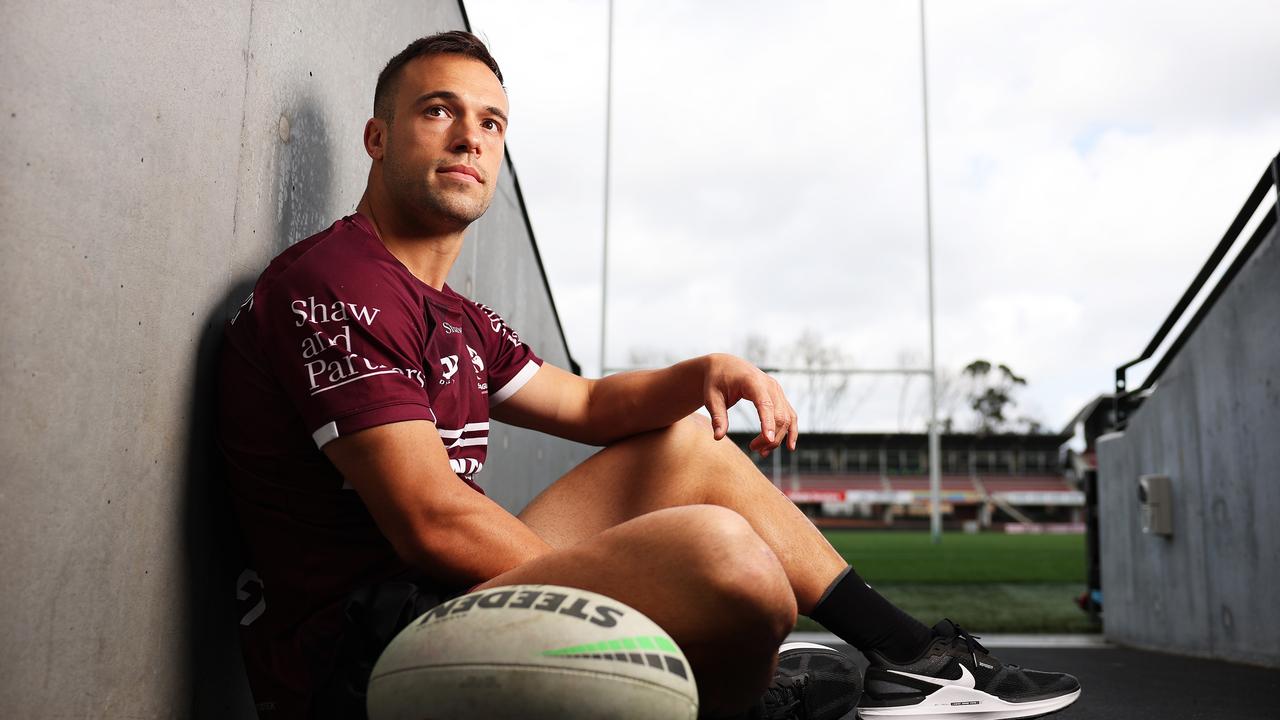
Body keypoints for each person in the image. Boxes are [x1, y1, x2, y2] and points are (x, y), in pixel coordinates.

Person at [218, 31, 1081, 720]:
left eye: (490, 123)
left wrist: (704, 370)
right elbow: (431, 521)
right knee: (727, 564)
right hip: (360, 656)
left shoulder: (459, 315)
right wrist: (647, 598)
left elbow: (589, 403)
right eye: (438, 111)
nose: (468, 137)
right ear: (378, 137)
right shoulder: (341, 281)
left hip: (440, 600)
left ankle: (914, 660)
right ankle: (739, 693)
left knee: (685, 449)